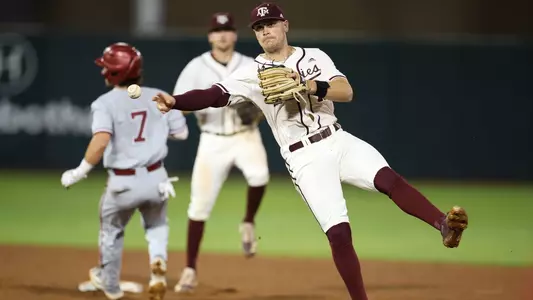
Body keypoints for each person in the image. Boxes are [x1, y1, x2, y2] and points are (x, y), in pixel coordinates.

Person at [152, 3, 469, 299]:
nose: (265, 31)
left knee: (389, 180)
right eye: (259, 27)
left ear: (285, 25)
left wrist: (309, 85)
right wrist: (176, 101)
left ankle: (442, 224)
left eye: (271, 23)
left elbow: (346, 91)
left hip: (337, 138)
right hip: (304, 158)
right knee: (340, 233)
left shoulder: (314, 56)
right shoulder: (251, 73)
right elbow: (213, 94)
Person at [60, 42, 188, 300]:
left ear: (114, 73)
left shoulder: (104, 103)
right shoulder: (159, 95)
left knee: (111, 232)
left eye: (106, 67)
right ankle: (158, 265)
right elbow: (182, 134)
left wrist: (78, 172)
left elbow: (101, 141)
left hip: (123, 183)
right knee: (157, 226)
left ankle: (110, 286)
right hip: (157, 179)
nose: (103, 71)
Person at [171, 12, 270, 293]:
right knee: (198, 208)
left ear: (235, 35)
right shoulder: (196, 66)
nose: (222, 35)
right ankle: (190, 268)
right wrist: (202, 104)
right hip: (212, 140)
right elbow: (180, 101)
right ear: (210, 36)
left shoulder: (251, 65)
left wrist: (257, 115)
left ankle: (248, 222)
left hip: (245, 136)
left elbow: (267, 102)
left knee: (260, 176)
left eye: (227, 30)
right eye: (217, 30)